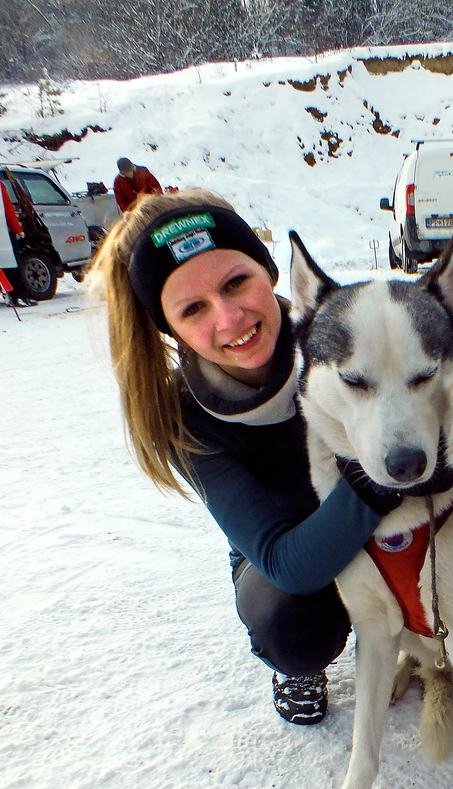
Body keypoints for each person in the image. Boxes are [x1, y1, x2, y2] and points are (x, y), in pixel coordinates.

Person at [89, 190, 402, 724]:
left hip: (382, 526)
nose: (231, 317)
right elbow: (286, 563)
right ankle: (297, 666)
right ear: (170, 327)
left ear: (269, 270)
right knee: (290, 621)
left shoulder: (343, 332)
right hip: (288, 554)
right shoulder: (182, 414)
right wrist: (389, 474)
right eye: (194, 309)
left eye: (236, 282)